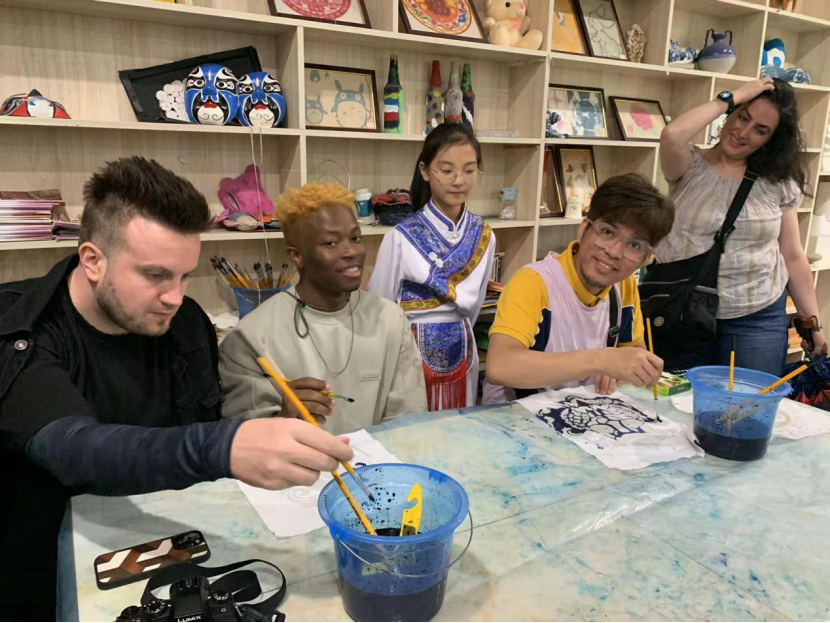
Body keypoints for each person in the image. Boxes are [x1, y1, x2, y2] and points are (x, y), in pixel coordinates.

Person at [0, 158, 353, 620]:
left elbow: (195, 433)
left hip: (173, 563)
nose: (175, 296)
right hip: (50, 584)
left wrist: (271, 426)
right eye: (155, 275)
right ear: (93, 260)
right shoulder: (19, 332)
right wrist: (224, 447)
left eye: (185, 275)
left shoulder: (185, 324)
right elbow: (72, 447)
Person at [219, 183, 427, 433]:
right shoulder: (252, 337)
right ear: (297, 256)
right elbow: (244, 438)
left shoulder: (390, 319)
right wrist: (284, 418)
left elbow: (408, 425)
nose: (351, 251)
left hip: (380, 458)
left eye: (355, 238)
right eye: (331, 243)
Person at [658, 77, 826, 375]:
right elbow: (671, 134)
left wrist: (810, 322)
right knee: (678, 400)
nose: (743, 132)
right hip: (682, 310)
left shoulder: (777, 181)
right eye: (743, 117)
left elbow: (792, 255)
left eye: (760, 130)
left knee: (751, 402)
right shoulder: (688, 165)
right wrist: (732, 97)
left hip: (755, 317)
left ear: (771, 140)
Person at [485, 174, 674, 400]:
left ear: (647, 257)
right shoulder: (533, 282)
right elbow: (500, 366)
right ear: (584, 229)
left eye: (634, 245)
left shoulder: (623, 286)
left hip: (584, 410)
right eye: (607, 232)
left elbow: (633, 351)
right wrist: (601, 360)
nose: (614, 252)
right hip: (519, 412)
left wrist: (624, 368)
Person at [369, 124, 496, 410]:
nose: (459, 180)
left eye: (469, 170)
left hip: (462, 345)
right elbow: (380, 307)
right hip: (409, 349)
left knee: (459, 421)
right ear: (425, 171)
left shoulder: (485, 234)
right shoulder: (400, 237)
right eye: (447, 170)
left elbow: (475, 306)